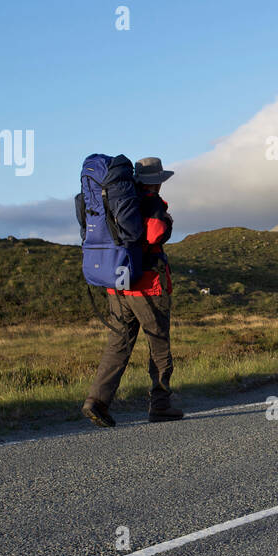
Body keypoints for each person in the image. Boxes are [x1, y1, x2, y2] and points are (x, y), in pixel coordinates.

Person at [82, 157, 184, 426]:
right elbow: (155, 234)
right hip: (148, 285)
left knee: (118, 344)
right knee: (159, 345)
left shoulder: (120, 201)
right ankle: (160, 404)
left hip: (117, 285)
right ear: (159, 181)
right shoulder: (150, 202)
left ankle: (96, 401)